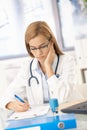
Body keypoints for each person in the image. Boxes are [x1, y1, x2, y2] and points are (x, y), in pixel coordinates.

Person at [0, 21, 78, 113]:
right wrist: (11, 104)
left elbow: (63, 97)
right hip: (41, 118)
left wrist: (48, 67)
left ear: (51, 43)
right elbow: (5, 96)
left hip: (69, 115)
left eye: (43, 46)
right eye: (33, 48)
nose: (38, 53)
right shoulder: (27, 66)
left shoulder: (67, 61)